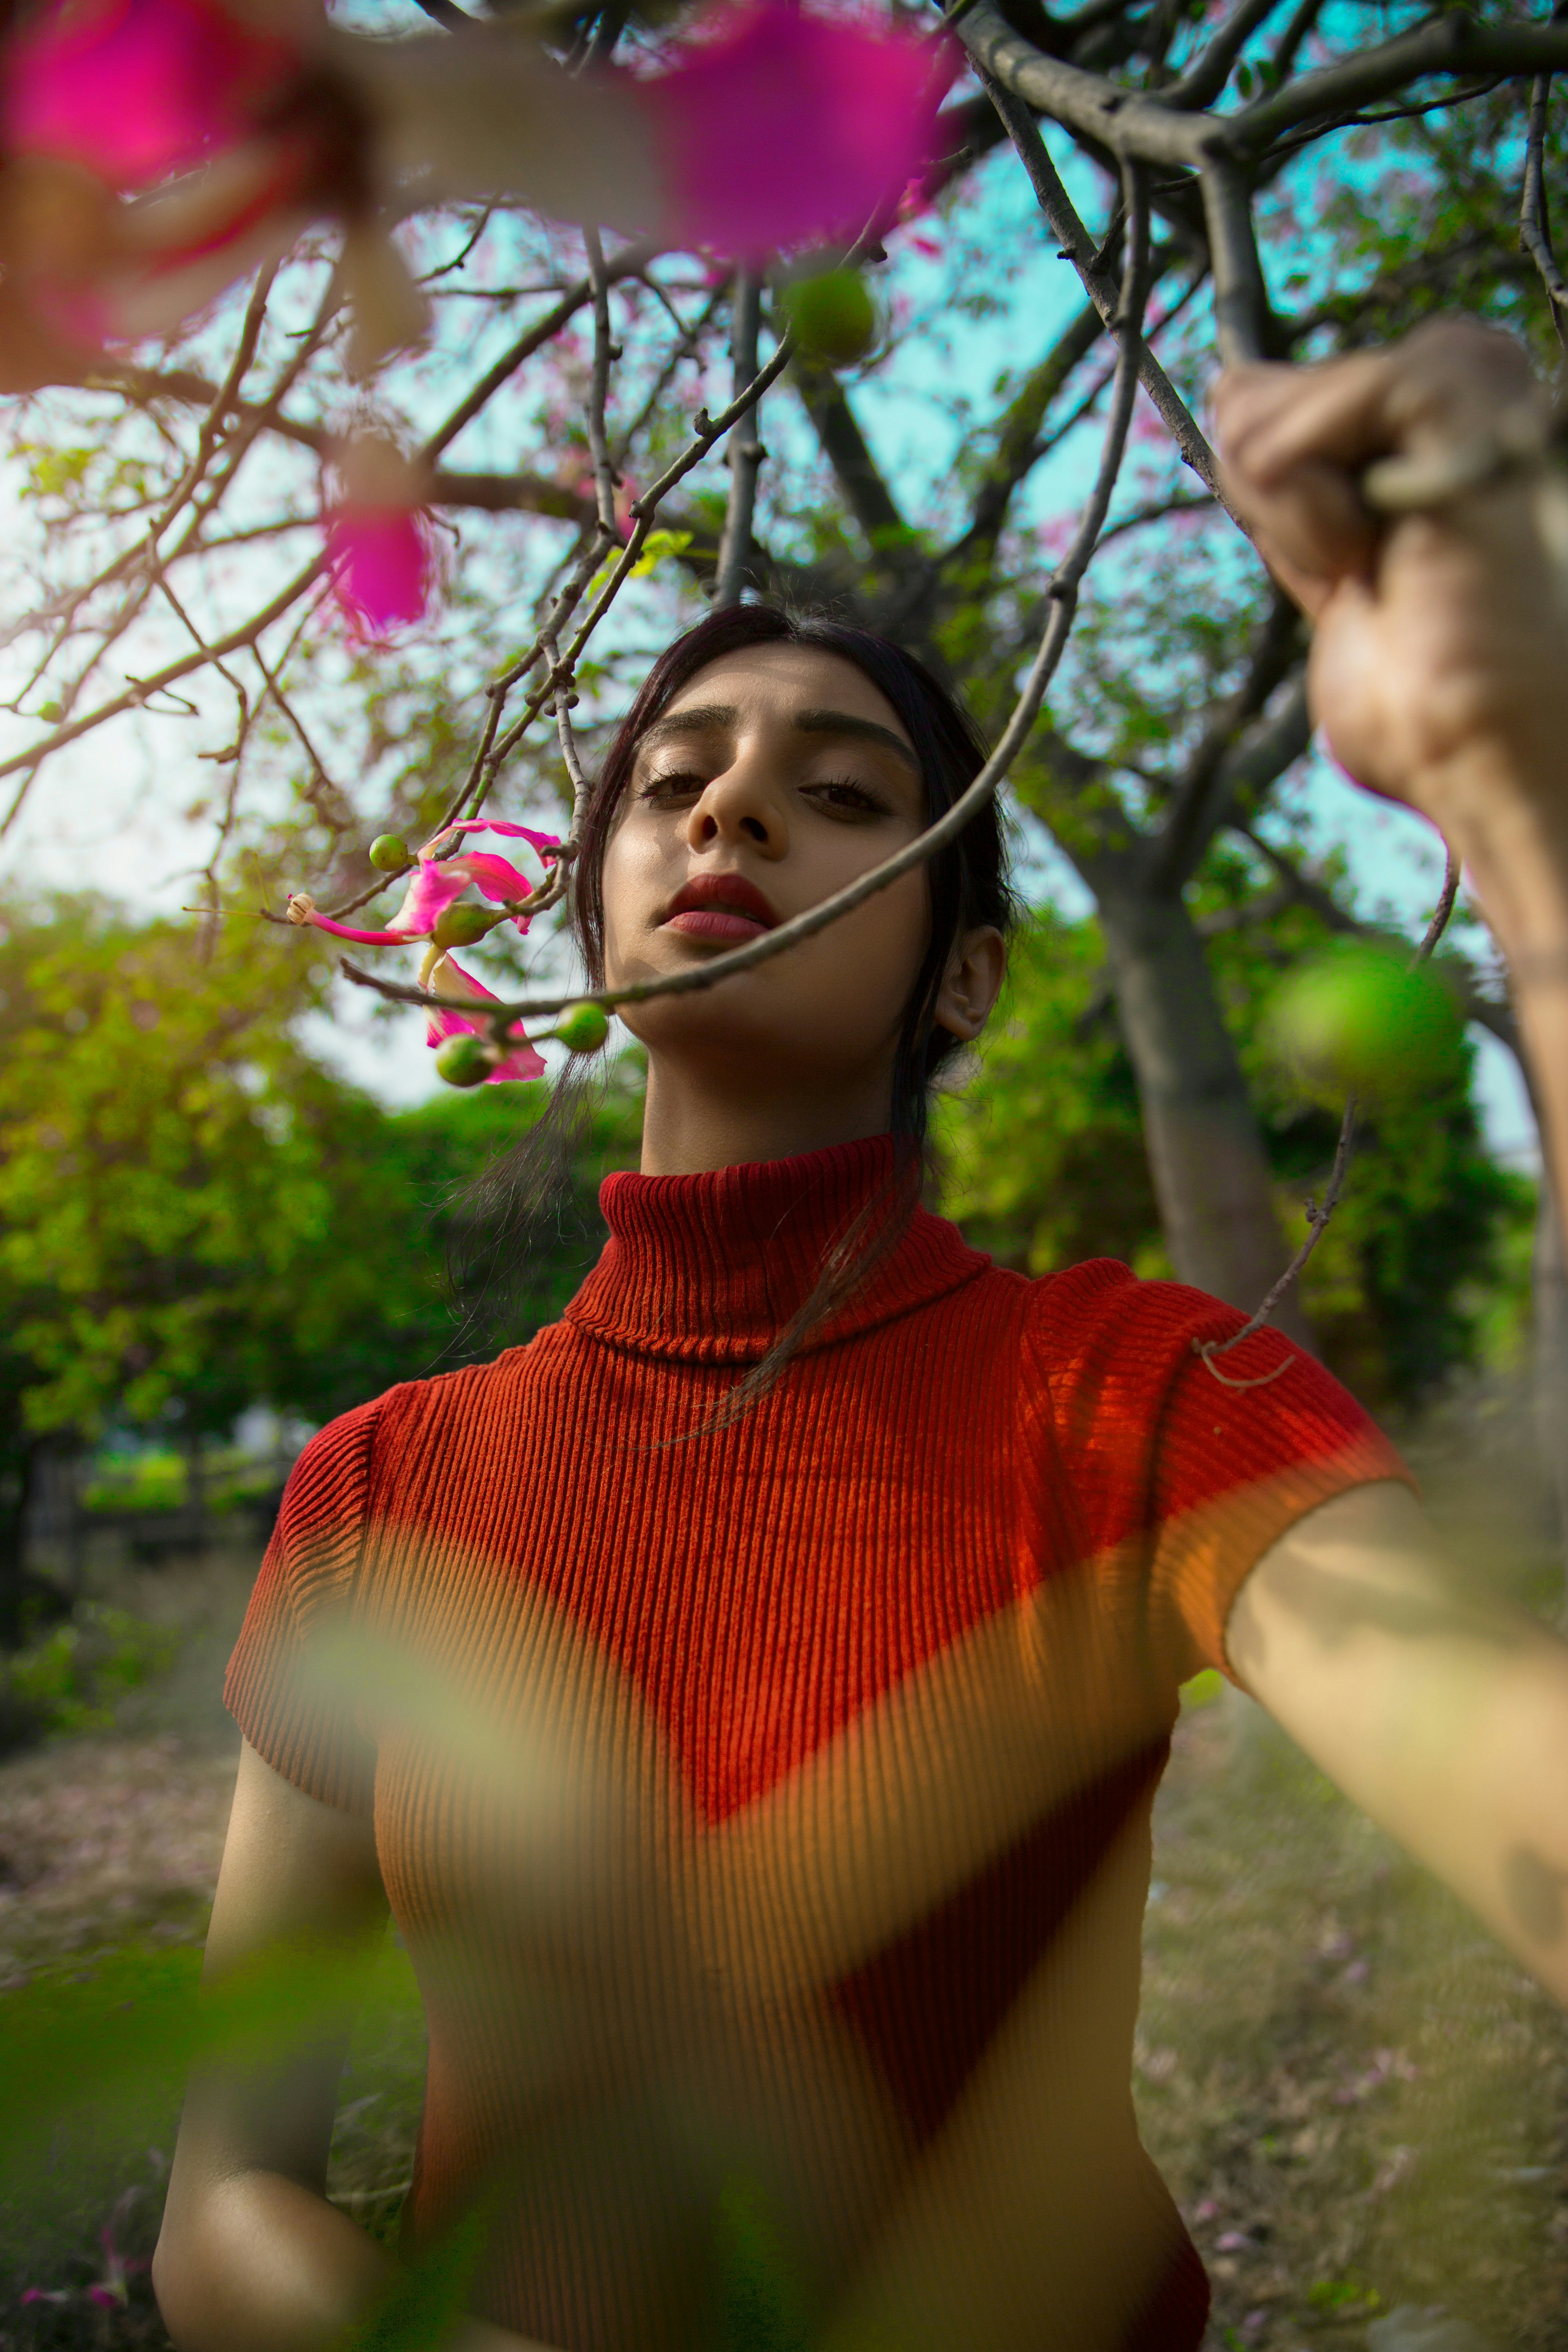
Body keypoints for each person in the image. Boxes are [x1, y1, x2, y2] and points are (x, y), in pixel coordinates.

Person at [153, 320, 1568, 2352]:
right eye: (672, 780)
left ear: (963, 974)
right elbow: (228, 2207)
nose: (731, 812)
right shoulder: (380, 1486)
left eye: (839, 790)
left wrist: (1522, 804)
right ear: (594, 906)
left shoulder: (1138, 1404)